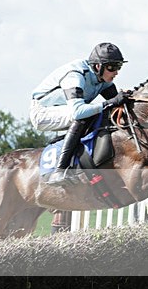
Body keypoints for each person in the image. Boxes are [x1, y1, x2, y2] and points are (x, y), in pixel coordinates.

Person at [30, 42, 131, 184]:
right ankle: (59, 171)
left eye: (118, 67)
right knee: (83, 116)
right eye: (112, 67)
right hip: (42, 112)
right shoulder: (75, 76)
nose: (116, 72)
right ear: (98, 66)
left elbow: (117, 103)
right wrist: (109, 103)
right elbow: (77, 112)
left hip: (65, 109)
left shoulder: (102, 79)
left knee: (104, 113)